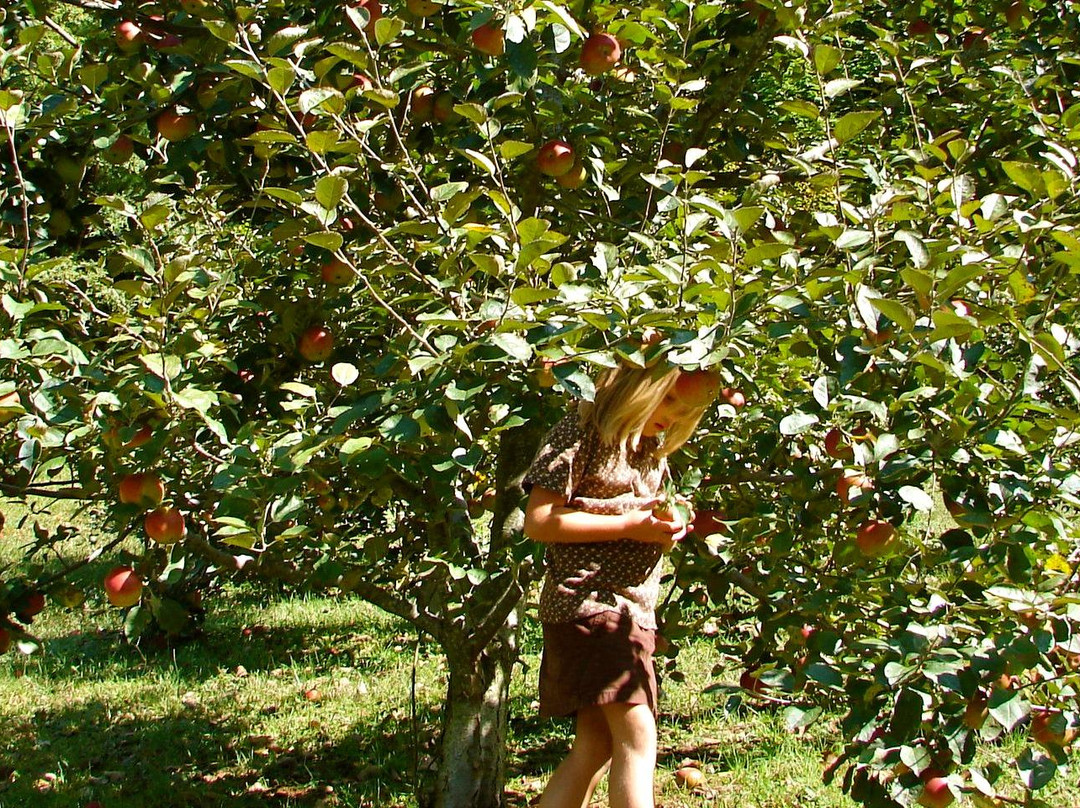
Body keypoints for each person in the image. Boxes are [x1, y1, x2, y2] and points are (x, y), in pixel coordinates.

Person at [522, 361, 721, 808]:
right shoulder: (584, 429)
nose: (671, 416)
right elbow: (538, 521)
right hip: (589, 602)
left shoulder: (650, 447)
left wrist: (666, 524)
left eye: (684, 410)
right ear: (638, 384)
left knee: (596, 745)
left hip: (631, 608)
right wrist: (631, 524)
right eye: (668, 398)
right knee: (638, 733)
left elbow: (641, 518)